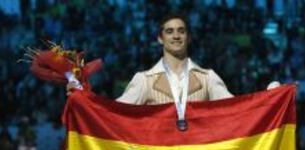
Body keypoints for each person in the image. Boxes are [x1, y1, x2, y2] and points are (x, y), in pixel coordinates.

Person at [68, 14, 279, 105]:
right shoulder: (144, 80)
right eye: (169, 31)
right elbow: (113, 114)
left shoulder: (208, 78)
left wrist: (269, 100)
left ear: (188, 36)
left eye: (181, 31)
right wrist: (82, 99)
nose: (176, 36)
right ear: (160, 38)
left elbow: (236, 109)